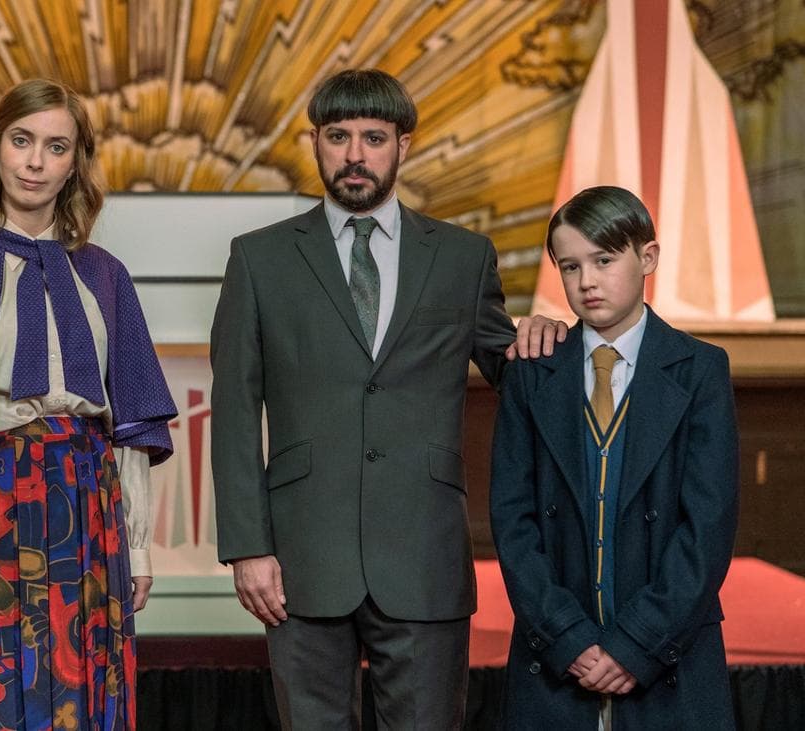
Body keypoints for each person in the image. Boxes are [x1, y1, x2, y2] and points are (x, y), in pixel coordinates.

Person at [210, 68, 566, 730]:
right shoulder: (259, 261)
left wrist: (551, 338)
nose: (354, 154)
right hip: (299, 557)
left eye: (373, 137)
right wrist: (246, 546)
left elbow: (515, 376)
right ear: (314, 143)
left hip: (423, 551)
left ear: (404, 145)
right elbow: (233, 410)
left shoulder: (463, 258)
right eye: (337, 135)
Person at [0, 78, 177, 731]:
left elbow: (127, 427)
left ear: (75, 161)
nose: (36, 161)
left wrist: (137, 548)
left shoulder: (104, 273)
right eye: (22, 141)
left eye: (56, 146)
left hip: (84, 503)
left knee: (82, 687)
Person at [489, 185, 738, 728]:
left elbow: (707, 529)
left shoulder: (700, 371)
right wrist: (567, 639)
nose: (588, 282)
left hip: (669, 657)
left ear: (647, 256)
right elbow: (513, 522)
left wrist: (637, 645)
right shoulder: (532, 374)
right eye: (570, 266)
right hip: (556, 658)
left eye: (604, 259)